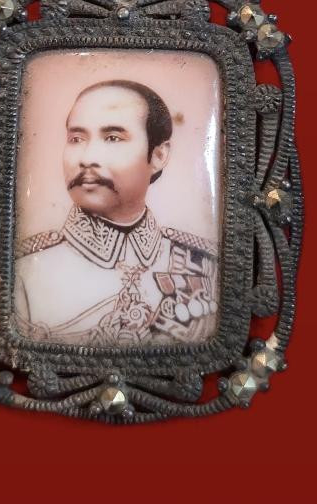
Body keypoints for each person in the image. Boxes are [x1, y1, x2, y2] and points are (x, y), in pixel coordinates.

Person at [14, 80, 219, 346]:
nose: (86, 158)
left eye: (112, 138)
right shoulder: (24, 271)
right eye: (76, 139)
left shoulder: (206, 265)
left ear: (158, 155)